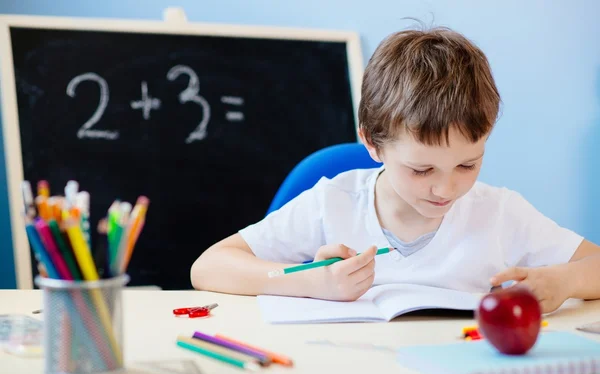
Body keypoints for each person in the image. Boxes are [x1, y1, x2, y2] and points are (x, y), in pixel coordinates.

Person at [191, 26, 600, 313]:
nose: (446, 188)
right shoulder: (332, 203)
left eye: (467, 164)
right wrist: (309, 281)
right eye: (421, 170)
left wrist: (565, 281)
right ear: (372, 142)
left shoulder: (499, 213)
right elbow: (208, 267)